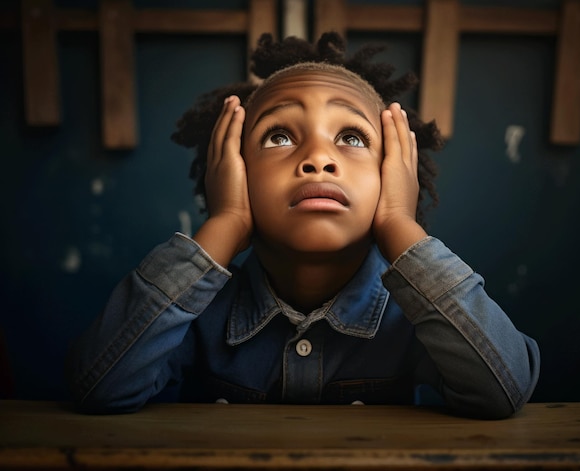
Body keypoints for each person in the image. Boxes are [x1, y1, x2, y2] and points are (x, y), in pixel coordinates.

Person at [66, 33, 539, 419]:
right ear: (233, 171)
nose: (317, 159)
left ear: (394, 171)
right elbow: (100, 388)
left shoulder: (412, 314)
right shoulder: (196, 310)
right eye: (279, 136)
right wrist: (225, 221)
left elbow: (504, 390)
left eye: (351, 137)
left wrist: (399, 222)